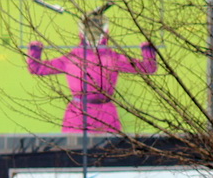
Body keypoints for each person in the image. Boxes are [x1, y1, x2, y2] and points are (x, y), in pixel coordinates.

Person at [26, 8, 157, 135]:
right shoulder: (72, 58)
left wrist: (148, 49)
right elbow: (36, 68)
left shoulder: (113, 58)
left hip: (106, 117)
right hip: (77, 117)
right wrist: (35, 50)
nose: (93, 34)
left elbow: (148, 68)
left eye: (97, 29)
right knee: (74, 152)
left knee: (110, 153)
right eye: (90, 29)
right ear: (81, 33)